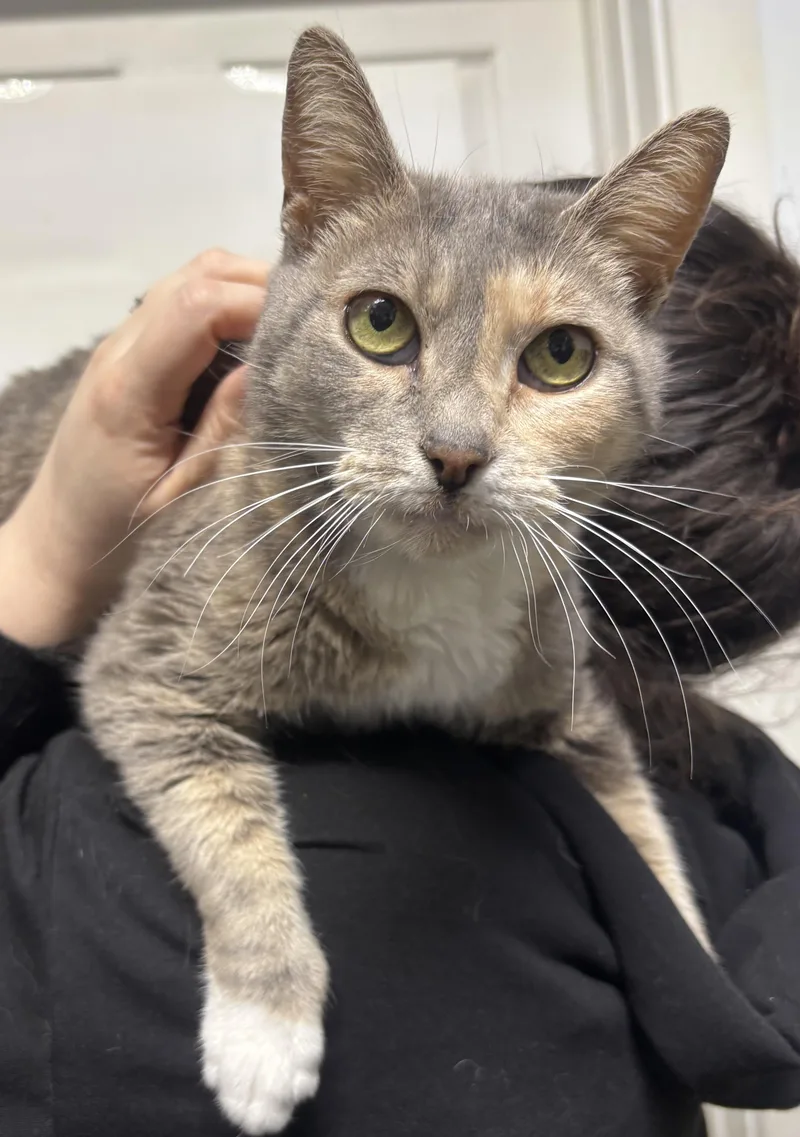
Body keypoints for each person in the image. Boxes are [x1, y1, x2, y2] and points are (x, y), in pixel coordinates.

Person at [0, 251, 799, 1137]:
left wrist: (36, 560)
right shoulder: (725, 811)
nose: (456, 439)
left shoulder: (77, 871)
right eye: (386, 323)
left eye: (557, 353)